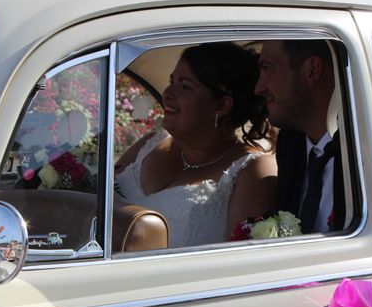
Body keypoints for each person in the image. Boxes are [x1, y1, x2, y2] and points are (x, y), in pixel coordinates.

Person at [115, 42, 277, 248]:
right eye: (171, 81)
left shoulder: (252, 171)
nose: (167, 94)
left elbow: (241, 264)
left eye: (185, 86)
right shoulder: (150, 143)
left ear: (221, 105)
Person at [255, 40, 345, 234]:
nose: (258, 88)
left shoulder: (365, 150)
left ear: (312, 70)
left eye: (267, 68)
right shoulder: (291, 145)